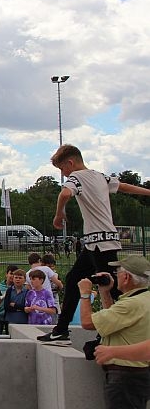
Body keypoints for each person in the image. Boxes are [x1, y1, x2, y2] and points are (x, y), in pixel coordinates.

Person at [39, 144, 150, 342]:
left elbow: (64, 194)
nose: (63, 175)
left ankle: (130, 327)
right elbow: (123, 186)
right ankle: (61, 329)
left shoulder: (76, 177)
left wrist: (59, 214)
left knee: (113, 288)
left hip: (100, 243)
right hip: (96, 243)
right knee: (74, 279)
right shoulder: (100, 176)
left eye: (62, 169)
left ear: (70, 163)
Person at [77, 256, 150, 409]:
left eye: (117, 273)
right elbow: (114, 322)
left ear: (127, 277)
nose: (115, 276)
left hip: (125, 377)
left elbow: (87, 322)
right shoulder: (143, 299)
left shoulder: (130, 304)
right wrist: (105, 292)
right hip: (140, 373)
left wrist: (85, 294)